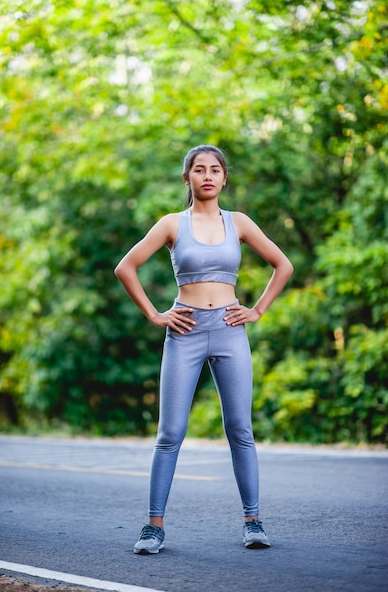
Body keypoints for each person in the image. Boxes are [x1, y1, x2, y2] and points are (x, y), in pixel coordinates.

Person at [114, 144, 293, 554]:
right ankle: (153, 527)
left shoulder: (239, 223)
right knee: (170, 432)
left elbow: (283, 265)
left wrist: (257, 310)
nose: (208, 175)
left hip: (230, 328)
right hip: (186, 328)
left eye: (215, 169)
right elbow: (125, 267)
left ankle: (253, 521)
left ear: (224, 178)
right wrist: (155, 315)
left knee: (240, 430)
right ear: (187, 178)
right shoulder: (172, 224)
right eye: (199, 169)